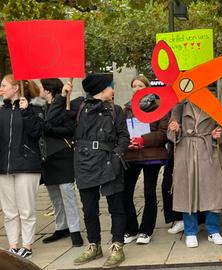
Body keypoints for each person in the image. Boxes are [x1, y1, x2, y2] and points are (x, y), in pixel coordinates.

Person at [48, 74, 130, 268]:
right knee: (90, 209)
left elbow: (123, 137)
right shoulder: (79, 106)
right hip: (85, 163)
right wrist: (61, 97)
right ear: (102, 89)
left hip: (110, 162)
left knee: (116, 207)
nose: (113, 90)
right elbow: (51, 121)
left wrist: (118, 155)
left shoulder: (115, 110)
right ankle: (94, 245)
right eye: (111, 86)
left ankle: (118, 246)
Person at [167, 100, 222, 248]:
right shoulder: (179, 106)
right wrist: (176, 129)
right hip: (186, 152)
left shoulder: (214, 103)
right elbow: (170, 133)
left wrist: (217, 134)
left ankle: (213, 230)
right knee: (188, 192)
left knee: (213, 191)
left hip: (209, 151)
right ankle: (190, 232)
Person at [0, 75, 43, 259]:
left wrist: (26, 112)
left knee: (26, 209)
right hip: (4, 167)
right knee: (9, 210)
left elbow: (37, 133)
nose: (0, 89)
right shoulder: (1, 111)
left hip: (27, 165)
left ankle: (27, 245)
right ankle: (13, 246)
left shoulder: (33, 108)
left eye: (3, 85)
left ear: (16, 88)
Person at [123, 75, 169, 245]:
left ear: (147, 87)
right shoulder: (126, 109)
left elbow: (163, 134)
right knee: (125, 192)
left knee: (149, 193)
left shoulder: (159, 107)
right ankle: (132, 229)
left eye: (140, 85)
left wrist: (143, 140)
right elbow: (121, 131)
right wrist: (127, 141)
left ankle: (146, 230)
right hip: (131, 155)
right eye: (134, 86)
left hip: (152, 156)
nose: (137, 88)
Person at [38, 78, 84, 247]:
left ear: (48, 90)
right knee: (55, 196)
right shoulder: (40, 108)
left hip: (63, 154)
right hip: (47, 157)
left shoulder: (67, 105)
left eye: (41, 88)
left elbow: (70, 130)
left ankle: (75, 229)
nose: (39, 91)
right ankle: (61, 226)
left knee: (67, 194)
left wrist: (49, 129)